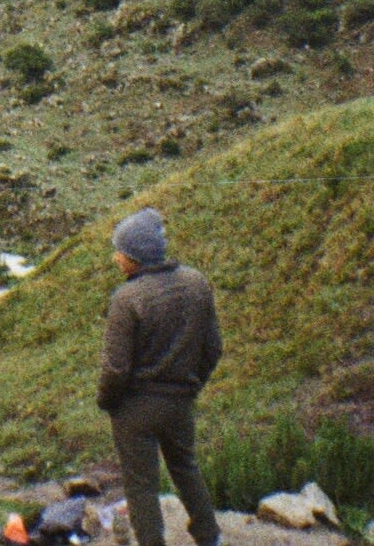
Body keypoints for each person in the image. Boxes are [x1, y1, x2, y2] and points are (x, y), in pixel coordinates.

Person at [95, 208, 221, 546]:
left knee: (141, 486)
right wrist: (190, 387)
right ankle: (210, 538)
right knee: (187, 470)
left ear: (135, 256)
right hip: (179, 402)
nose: (115, 257)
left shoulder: (127, 298)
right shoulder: (196, 282)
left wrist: (107, 402)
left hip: (135, 410)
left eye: (119, 251)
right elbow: (213, 349)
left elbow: (116, 368)